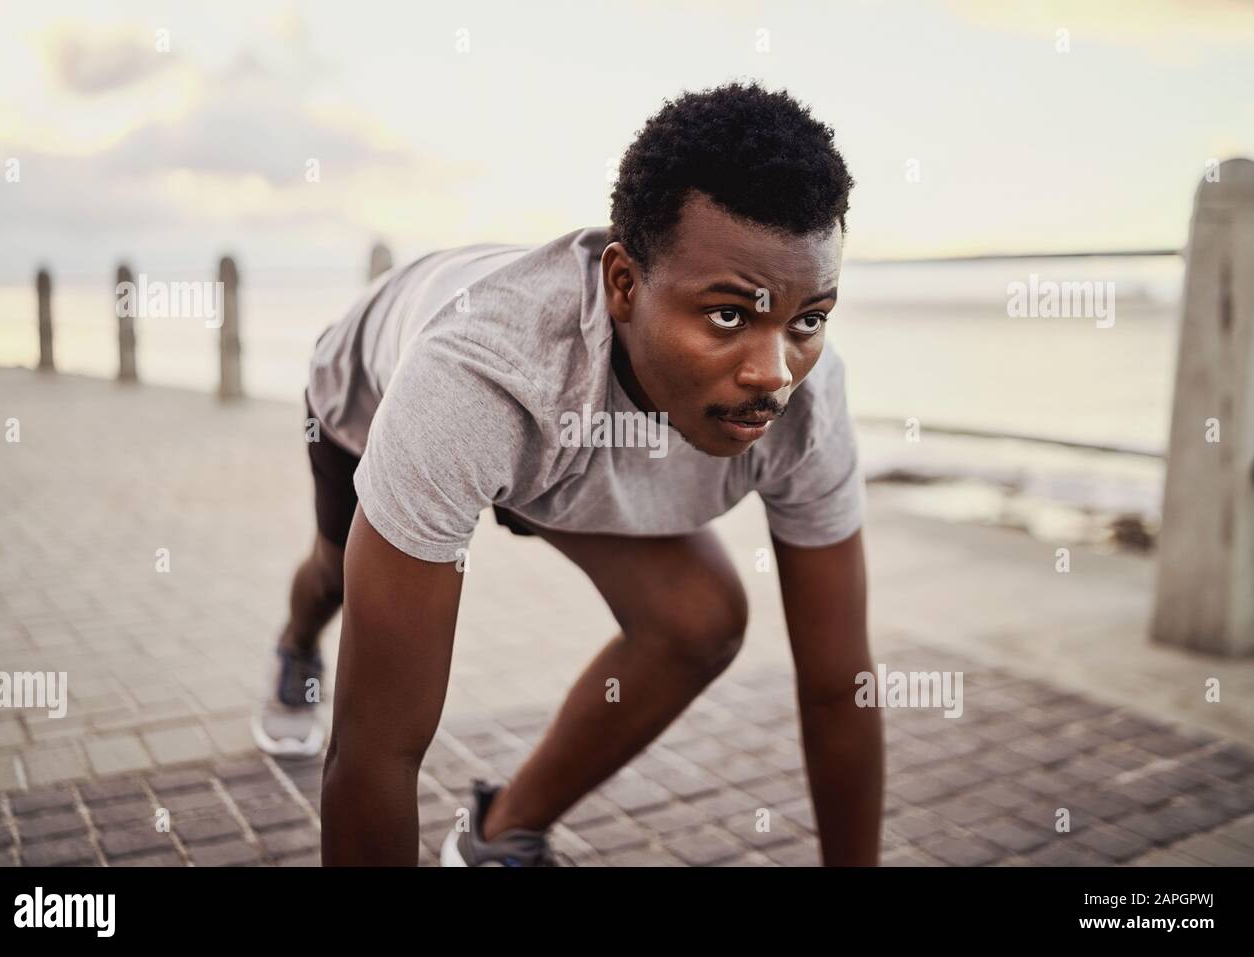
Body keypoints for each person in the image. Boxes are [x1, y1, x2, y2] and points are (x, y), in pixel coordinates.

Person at [254, 80, 882, 865]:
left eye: (808, 320)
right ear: (623, 283)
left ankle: (497, 835)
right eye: (729, 314)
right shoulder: (477, 379)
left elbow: (837, 688)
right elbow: (376, 752)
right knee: (334, 576)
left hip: (548, 435)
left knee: (702, 619)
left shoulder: (807, 404)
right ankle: (297, 641)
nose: (775, 373)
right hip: (373, 388)